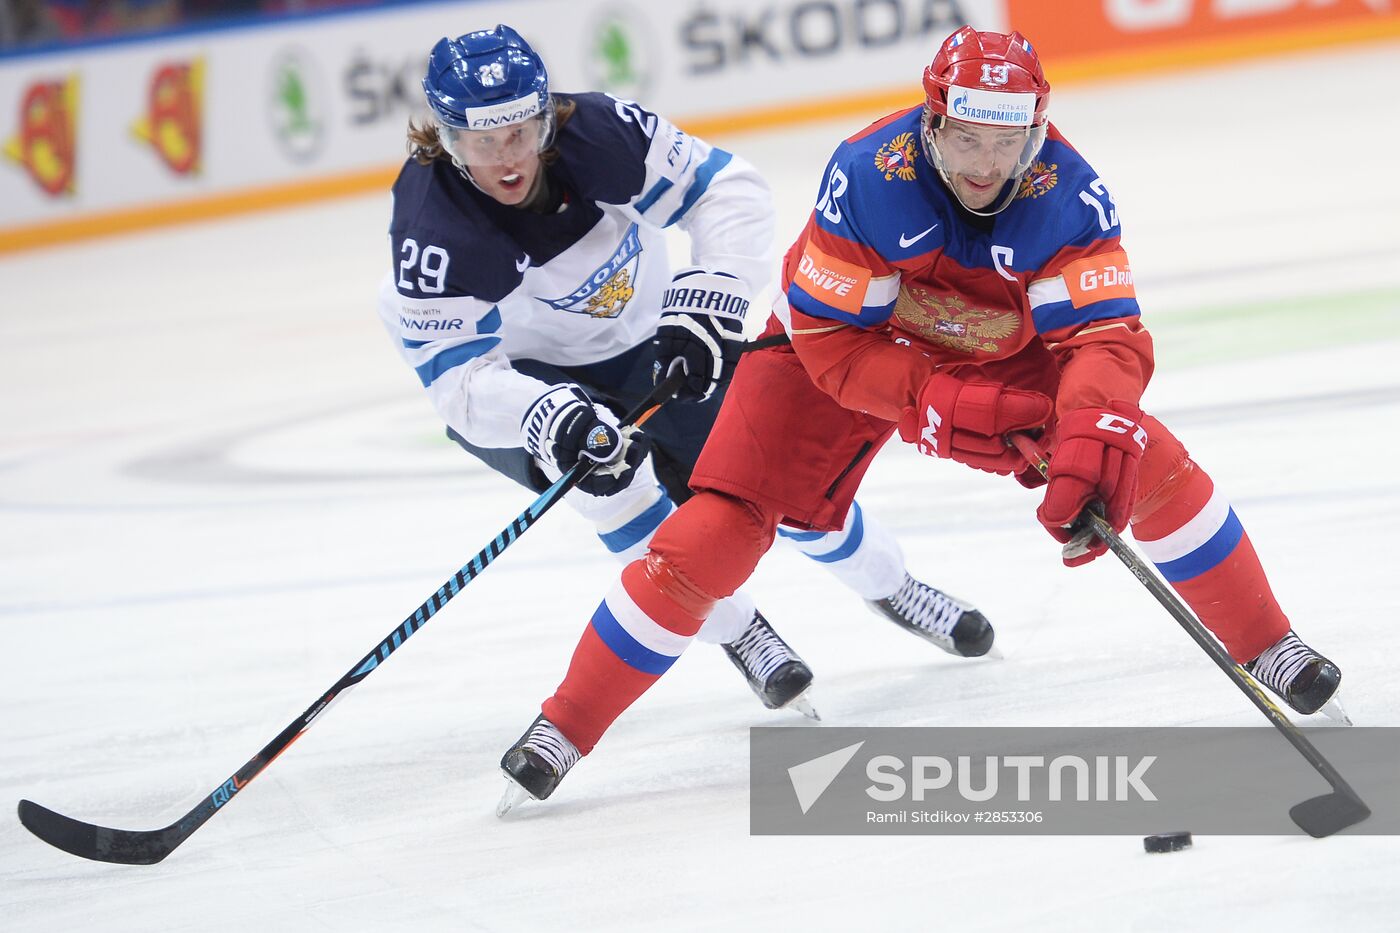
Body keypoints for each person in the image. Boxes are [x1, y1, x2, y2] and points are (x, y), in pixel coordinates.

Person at [496, 25, 1345, 810]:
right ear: (931, 126)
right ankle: (564, 724)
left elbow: (1106, 341)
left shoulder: (1069, 197)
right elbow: (830, 344)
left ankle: (1270, 642)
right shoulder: (869, 175)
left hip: (1004, 354)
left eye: (1007, 138)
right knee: (713, 531)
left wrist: (1088, 428)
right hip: (839, 349)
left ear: (1036, 133)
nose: (986, 162)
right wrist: (935, 401)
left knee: (1137, 455)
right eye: (967, 136)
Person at [378, 25, 997, 727]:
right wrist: (547, 414)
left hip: (650, 338)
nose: (509, 157)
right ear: (446, 138)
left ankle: (893, 584)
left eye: (522, 130)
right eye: (484, 142)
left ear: (547, 114)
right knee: (621, 498)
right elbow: (458, 382)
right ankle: (739, 628)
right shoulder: (432, 235)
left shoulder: (602, 137)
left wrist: (705, 303)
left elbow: (726, 191)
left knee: (773, 479)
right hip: (528, 376)